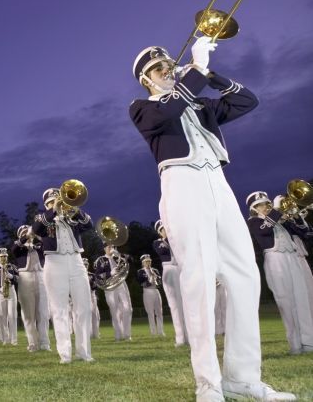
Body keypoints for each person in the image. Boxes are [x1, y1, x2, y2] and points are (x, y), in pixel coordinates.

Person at [129, 37, 294, 401]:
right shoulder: (142, 107)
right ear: (146, 78)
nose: (167, 70)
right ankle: (208, 384)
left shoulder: (200, 104)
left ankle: (243, 378)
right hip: (181, 183)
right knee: (198, 280)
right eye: (159, 68)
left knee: (245, 276)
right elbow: (168, 111)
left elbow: (247, 101)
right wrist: (196, 71)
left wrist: (212, 75)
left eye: (169, 64)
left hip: (218, 182)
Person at [31, 189, 94, 363]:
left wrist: (75, 209)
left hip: (76, 260)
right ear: (46, 205)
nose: (57, 203)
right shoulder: (42, 218)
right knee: (59, 310)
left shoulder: (72, 218)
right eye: (52, 201)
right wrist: (53, 210)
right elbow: (36, 229)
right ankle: (65, 354)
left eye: (58, 200)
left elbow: (89, 225)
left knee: (83, 308)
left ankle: (84, 352)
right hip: (54, 262)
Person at [246, 192, 313, 354]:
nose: (267, 206)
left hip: (293, 258)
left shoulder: (280, 220)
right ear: (255, 208)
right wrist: (276, 210)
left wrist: (296, 216)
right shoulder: (254, 222)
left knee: (301, 298)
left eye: (268, 204)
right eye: (262, 205)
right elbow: (264, 231)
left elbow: (306, 234)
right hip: (275, 260)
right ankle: (295, 344)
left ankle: (309, 342)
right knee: (286, 302)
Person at [12, 225, 50, 352]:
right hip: (25, 278)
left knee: (43, 313)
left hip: (41, 276)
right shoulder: (19, 248)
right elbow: (14, 248)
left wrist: (36, 235)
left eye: (28, 232)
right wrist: (26, 236)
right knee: (29, 315)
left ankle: (45, 343)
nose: (27, 234)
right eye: (23, 233)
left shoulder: (39, 245)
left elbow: (48, 243)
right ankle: (33, 344)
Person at [153, 220, 188, 347]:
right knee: (175, 305)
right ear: (160, 231)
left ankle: (190, 336)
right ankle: (180, 337)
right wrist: (168, 238)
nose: (167, 230)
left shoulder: (176, 241)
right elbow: (163, 252)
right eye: (164, 229)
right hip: (169, 270)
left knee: (185, 303)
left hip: (180, 268)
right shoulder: (158, 242)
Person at [94, 245, 133, 341]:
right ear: (104, 248)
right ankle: (118, 335)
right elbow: (97, 275)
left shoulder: (117, 257)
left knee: (128, 308)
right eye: (108, 247)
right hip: (110, 286)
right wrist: (109, 273)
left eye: (112, 246)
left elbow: (131, 259)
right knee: (114, 311)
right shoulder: (100, 260)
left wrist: (119, 254)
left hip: (121, 283)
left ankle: (127, 334)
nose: (110, 248)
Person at [137, 254, 164, 337]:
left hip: (156, 290)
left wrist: (155, 276)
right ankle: (153, 332)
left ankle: (160, 331)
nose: (148, 263)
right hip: (148, 291)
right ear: (143, 263)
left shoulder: (155, 270)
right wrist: (150, 279)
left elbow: (160, 282)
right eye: (146, 262)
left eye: (149, 261)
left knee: (159, 312)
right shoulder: (140, 271)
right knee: (150, 313)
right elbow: (142, 283)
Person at [82, 258, 100, 339]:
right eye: (84, 264)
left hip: (91, 295)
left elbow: (95, 286)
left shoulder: (92, 275)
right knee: (86, 315)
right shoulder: (78, 275)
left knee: (95, 314)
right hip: (83, 295)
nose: (85, 266)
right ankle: (88, 334)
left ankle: (96, 333)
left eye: (86, 264)